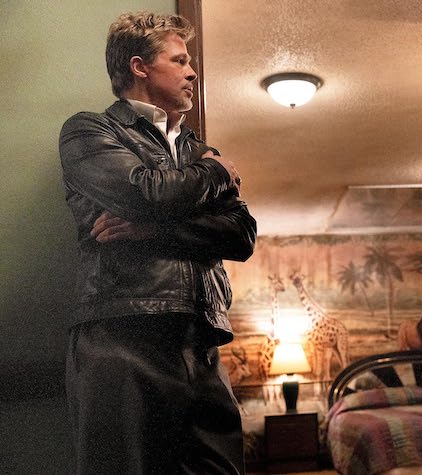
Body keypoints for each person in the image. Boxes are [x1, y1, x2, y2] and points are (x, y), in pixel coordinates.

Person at [59, 11, 256, 474]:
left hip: (202, 342)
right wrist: (215, 172)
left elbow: (241, 233)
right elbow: (142, 193)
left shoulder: (196, 150)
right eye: (180, 60)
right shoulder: (90, 130)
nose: (193, 72)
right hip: (123, 338)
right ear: (139, 66)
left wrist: (154, 230)